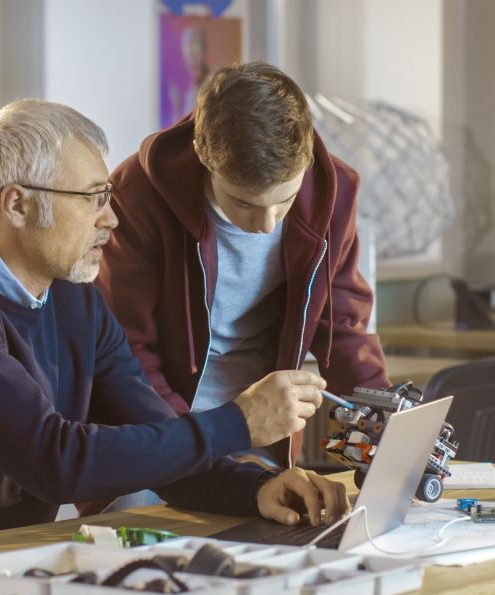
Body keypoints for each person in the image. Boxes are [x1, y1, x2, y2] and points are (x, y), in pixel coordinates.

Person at [0, 99, 347, 549]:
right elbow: (54, 463)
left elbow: (155, 440)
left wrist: (256, 488)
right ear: (17, 203)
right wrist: (237, 422)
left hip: (5, 567)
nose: (112, 219)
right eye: (93, 198)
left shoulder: (76, 300)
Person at [97, 62, 390, 468]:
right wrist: (195, 453)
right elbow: (127, 350)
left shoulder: (334, 192)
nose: (266, 225)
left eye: (284, 202)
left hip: (264, 432)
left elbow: (343, 330)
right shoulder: (136, 196)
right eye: (244, 204)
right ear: (202, 154)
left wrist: (387, 427)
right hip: (154, 435)